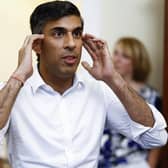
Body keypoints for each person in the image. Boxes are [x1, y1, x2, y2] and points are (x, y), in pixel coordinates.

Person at [0, 1, 167, 168]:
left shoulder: (98, 90)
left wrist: (114, 79)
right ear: (36, 45)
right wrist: (19, 77)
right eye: (59, 34)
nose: (71, 43)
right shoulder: (12, 93)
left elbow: (156, 137)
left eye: (77, 33)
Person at [99, 37, 163, 168]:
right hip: (101, 161)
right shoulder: (103, 89)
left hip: (133, 163)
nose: (117, 59)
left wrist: (150, 166)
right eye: (116, 53)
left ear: (137, 62)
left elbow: (158, 138)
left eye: (125, 56)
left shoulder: (151, 96)